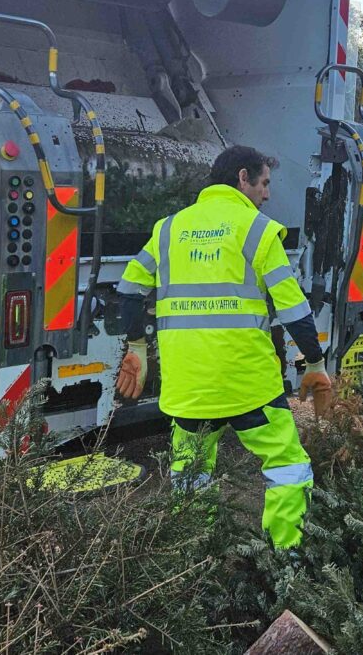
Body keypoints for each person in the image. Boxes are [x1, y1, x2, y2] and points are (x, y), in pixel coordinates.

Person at [113, 145, 332, 549]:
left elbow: (128, 291)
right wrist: (315, 363)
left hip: (188, 389)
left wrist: (138, 348)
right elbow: (294, 309)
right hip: (249, 387)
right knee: (287, 466)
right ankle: (285, 559)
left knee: (190, 472)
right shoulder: (258, 230)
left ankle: (195, 558)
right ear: (242, 178)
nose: (267, 194)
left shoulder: (168, 228)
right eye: (264, 183)